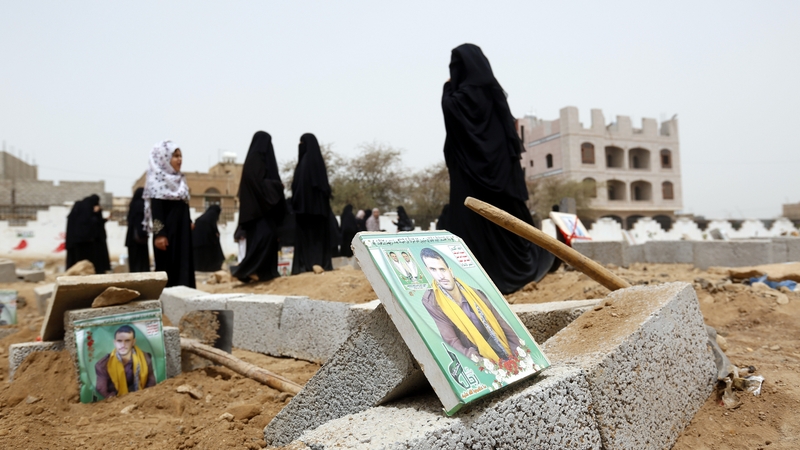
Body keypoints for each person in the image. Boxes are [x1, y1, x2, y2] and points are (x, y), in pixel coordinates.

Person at [441, 43, 554, 294]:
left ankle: (476, 276)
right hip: (501, 175)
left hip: (470, 177)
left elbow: (450, 114)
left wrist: (447, 87)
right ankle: (524, 268)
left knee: (474, 224)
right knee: (507, 222)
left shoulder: (457, 98)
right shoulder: (494, 93)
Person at [419, 247, 521, 362]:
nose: (440, 276)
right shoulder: (432, 301)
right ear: (428, 271)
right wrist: (477, 360)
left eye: (442, 269)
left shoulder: (476, 294)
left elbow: (501, 323)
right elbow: (451, 340)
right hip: (476, 356)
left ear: (450, 271)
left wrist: (518, 351)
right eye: (433, 270)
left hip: (500, 346)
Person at [232, 131, 287, 282]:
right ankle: (248, 271)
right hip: (257, 212)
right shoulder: (256, 158)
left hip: (261, 210)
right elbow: (257, 183)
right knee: (264, 238)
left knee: (267, 239)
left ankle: (262, 273)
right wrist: (276, 186)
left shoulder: (256, 159)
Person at [143, 140, 195, 288]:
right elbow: (156, 209)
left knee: (184, 265)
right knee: (168, 269)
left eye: (180, 156)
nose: (180, 159)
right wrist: (160, 234)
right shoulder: (156, 181)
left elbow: (184, 205)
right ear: (164, 158)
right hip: (167, 234)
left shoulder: (181, 181)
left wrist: (189, 222)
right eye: (175, 156)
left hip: (183, 232)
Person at [290, 133, 334, 273]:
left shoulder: (303, 165)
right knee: (318, 239)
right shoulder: (318, 163)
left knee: (306, 240)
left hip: (304, 213)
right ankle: (319, 263)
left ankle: (306, 265)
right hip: (320, 212)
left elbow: (297, 189)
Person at [94, 325, 156, 398]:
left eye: (127, 341)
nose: (123, 345)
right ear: (115, 342)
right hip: (116, 401)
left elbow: (151, 383)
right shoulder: (103, 364)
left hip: (140, 399)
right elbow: (101, 388)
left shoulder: (145, 358)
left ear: (133, 342)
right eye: (119, 341)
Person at [66, 194, 110, 273]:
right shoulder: (90, 211)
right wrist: (96, 214)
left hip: (74, 240)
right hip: (87, 241)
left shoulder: (78, 207)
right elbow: (93, 223)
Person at [192, 204, 225, 272]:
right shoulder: (212, 216)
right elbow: (213, 229)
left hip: (197, 241)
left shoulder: (200, 219)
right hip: (208, 242)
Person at [125, 188, 150, 272]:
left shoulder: (133, 205)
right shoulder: (141, 205)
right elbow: (139, 222)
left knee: (134, 262)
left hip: (132, 237)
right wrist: (143, 234)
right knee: (141, 263)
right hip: (138, 238)